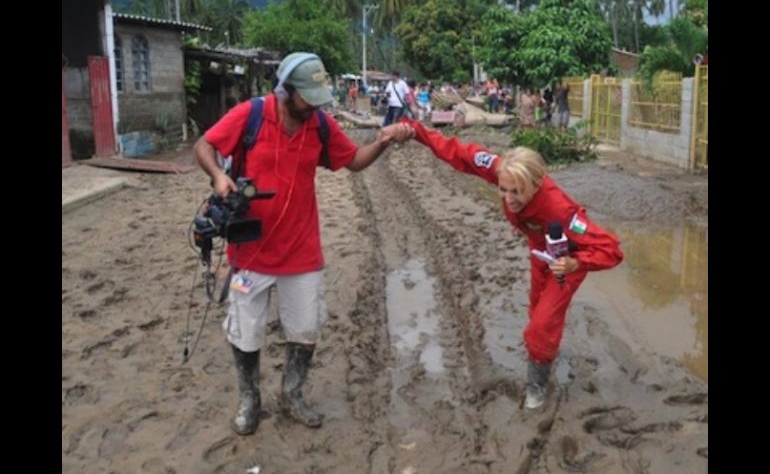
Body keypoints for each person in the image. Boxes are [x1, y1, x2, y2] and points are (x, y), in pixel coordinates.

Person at [193, 52, 415, 435]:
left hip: (302, 250)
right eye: (307, 97)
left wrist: (382, 142)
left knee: (306, 330)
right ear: (285, 90)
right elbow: (205, 146)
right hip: (251, 252)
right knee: (245, 332)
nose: (314, 106)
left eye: (318, 98)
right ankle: (250, 398)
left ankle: (292, 394)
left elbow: (355, 161)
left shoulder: (321, 125)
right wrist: (218, 176)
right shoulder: (252, 115)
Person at [401, 119, 624, 409]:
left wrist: (575, 263)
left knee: (539, 327)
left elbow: (611, 250)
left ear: (535, 185)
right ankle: (543, 351)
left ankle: (537, 386)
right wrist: (415, 131)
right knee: (536, 310)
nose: (508, 199)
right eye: (503, 190)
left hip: (565, 261)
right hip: (539, 253)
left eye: (516, 192)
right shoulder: (503, 171)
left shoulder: (561, 212)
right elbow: (459, 153)